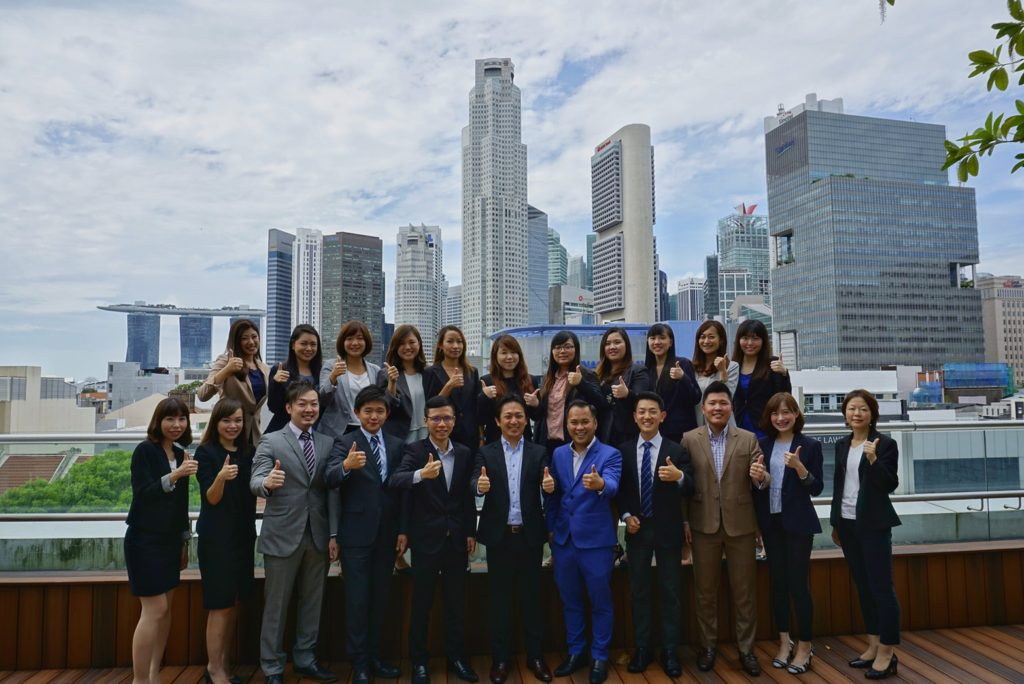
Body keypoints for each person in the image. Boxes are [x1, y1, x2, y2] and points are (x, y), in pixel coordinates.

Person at [249, 382, 342, 684]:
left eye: (314, 403)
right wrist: (267, 483)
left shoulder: (328, 443)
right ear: (289, 408)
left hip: (318, 533)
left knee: (312, 603)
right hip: (282, 534)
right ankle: (272, 668)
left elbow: (331, 492)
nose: (309, 409)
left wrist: (334, 535)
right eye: (302, 404)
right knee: (276, 605)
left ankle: (305, 658)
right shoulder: (272, 440)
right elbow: (256, 478)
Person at [390, 396, 478, 684]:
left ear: (454, 421)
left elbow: (466, 498)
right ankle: (419, 663)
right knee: (422, 605)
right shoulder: (414, 450)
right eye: (436, 419)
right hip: (426, 539)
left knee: (456, 605)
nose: (442, 424)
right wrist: (420, 474)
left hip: (456, 541)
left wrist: (470, 532)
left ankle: (457, 659)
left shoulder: (465, 452)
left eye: (447, 418)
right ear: (426, 421)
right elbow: (396, 480)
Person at [324, 385, 406, 684]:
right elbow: (329, 477)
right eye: (368, 411)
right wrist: (346, 466)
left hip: (387, 535)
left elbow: (402, 492)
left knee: (380, 598)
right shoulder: (345, 442)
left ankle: (375, 657)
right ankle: (358, 662)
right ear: (357, 413)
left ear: (387, 413)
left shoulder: (397, 445)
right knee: (357, 600)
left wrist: (403, 530)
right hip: (356, 535)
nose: (374, 416)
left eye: (380, 411)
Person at [682, 381, 764, 677]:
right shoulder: (689, 439)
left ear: (731, 407)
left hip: (741, 526)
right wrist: (685, 522)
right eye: (712, 403)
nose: (718, 408)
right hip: (703, 525)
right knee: (705, 592)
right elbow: (684, 485)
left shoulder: (748, 438)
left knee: (744, 593)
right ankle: (707, 647)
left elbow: (761, 480)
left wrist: (760, 476)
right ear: (703, 408)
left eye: (723, 403)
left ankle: (746, 650)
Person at [472, 395, 553, 684]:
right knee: (500, 602)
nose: (514, 421)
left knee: (533, 600)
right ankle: (501, 659)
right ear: (498, 421)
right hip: (499, 538)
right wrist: (478, 487)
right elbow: (474, 482)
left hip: (529, 536)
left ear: (525, 419)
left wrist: (550, 486)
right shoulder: (486, 453)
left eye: (519, 415)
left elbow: (550, 487)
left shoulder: (539, 451)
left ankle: (535, 657)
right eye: (508, 416)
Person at [615, 391, 694, 677]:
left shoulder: (677, 449)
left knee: (671, 592)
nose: (646, 416)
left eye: (652, 412)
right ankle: (643, 648)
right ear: (634, 416)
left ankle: (670, 650)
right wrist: (625, 516)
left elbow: (692, 486)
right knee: (639, 592)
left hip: (668, 530)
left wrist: (680, 477)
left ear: (662, 416)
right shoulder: (622, 451)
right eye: (641, 412)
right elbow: (619, 492)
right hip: (637, 530)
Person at [545, 400, 622, 684]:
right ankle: (576, 652)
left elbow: (612, 485)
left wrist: (601, 485)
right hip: (564, 541)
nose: (579, 427)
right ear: (566, 425)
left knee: (601, 602)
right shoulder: (558, 454)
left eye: (584, 422)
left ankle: (600, 656)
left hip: (596, 542)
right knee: (571, 602)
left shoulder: (610, 454)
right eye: (574, 423)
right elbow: (552, 497)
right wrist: (551, 530)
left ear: (595, 423)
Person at [830, 389, 901, 680]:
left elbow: (889, 484)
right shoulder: (841, 444)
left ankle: (887, 650)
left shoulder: (884, 444)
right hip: (847, 524)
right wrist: (835, 522)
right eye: (851, 409)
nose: (856, 414)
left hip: (873, 524)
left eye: (862, 409)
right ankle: (872, 645)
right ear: (845, 414)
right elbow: (839, 487)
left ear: (872, 414)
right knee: (863, 585)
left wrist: (873, 461)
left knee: (881, 587)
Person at [125, 397, 195, 684]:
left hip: (169, 541)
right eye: (170, 419)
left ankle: (154, 674)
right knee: (155, 610)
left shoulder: (181, 454)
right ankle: (140, 680)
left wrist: (184, 541)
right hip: (144, 539)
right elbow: (143, 494)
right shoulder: (145, 451)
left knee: (166, 611)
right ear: (158, 421)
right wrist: (175, 475)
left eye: (182, 419)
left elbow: (181, 505)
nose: (176, 425)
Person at [751, 392, 823, 675]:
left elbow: (816, 488)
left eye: (786, 412)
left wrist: (800, 468)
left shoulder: (810, 445)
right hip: (771, 522)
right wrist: (758, 480)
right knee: (777, 584)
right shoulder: (763, 445)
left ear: (796, 415)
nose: (780, 418)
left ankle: (805, 645)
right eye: (775, 413)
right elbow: (760, 488)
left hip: (798, 524)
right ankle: (784, 642)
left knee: (798, 585)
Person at [195, 398, 257, 684]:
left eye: (238, 421)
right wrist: (221, 477)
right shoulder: (205, 452)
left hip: (243, 536)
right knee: (219, 604)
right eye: (226, 420)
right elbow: (211, 498)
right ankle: (214, 669)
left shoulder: (249, 452)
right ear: (216, 422)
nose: (233, 426)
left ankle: (223, 665)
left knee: (233, 603)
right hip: (216, 539)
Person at [198, 319, 271, 449]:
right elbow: (203, 395)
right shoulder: (225, 361)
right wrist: (227, 370)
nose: (251, 342)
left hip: (253, 436)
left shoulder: (264, 368)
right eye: (245, 338)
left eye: (254, 337)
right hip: (227, 433)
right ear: (236, 341)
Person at [534, 331, 603, 454]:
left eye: (567, 347)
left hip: (573, 444)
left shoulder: (587, 375)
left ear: (576, 349)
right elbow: (542, 415)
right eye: (558, 347)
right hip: (546, 443)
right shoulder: (548, 378)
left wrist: (581, 383)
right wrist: (535, 404)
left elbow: (600, 404)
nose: (562, 351)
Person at [320, 320, 384, 438]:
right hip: (336, 432)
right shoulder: (331, 365)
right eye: (349, 338)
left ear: (366, 342)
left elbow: (381, 402)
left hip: (367, 429)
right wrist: (333, 377)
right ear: (342, 342)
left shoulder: (375, 370)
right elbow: (322, 399)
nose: (355, 343)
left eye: (360, 338)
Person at [731, 319, 792, 440]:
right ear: (738, 340)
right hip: (738, 429)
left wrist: (784, 374)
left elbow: (783, 397)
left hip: (765, 430)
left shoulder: (772, 364)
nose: (749, 343)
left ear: (763, 341)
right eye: (745, 338)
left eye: (755, 338)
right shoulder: (733, 366)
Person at [477, 335, 541, 445]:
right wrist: (484, 398)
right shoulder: (486, 381)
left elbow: (537, 417)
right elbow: (480, 419)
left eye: (514, 352)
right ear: (495, 356)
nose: (510, 357)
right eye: (504, 353)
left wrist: (536, 404)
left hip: (524, 443)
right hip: (495, 443)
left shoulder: (530, 380)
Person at [644, 323, 701, 443]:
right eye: (653, 338)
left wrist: (683, 378)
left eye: (662, 338)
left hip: (680, 433)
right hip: (654, 432)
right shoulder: (646, 369)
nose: (657, 342)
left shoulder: (682, 363)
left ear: (670, 342)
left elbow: (696, 397)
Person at [426, 325, 480, 452]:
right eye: (450, 341)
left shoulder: (472, 372)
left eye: (459, 342)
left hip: (470, 435)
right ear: (440, 345)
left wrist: (481, 436)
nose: (455, 346)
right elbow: (430, 406)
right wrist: (449, 386)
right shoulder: (430, 372)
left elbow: (475, 406)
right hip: (444, 433)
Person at [595, 327, 649, 446]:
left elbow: (643, 402)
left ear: (626, 346)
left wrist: (627, 394)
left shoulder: (638, 371)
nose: (612, 347)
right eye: (608, 344)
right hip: (601, 437)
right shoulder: (598, 375)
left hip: (627, 438)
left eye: (617, 342)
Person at [266, 324, 323, 433]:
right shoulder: (280, 369)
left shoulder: (322, 372)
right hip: (284, 430)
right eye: (303, 344)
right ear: (293, 345)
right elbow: (273, 407)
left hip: (313, 431)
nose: (309, 348)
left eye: (313, 344)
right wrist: (276, 384)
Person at [381, 324, 433, 444]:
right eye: (402, 343)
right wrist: (392, 383)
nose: (407, 347)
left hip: (428, 434)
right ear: (395, 347)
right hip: (400, 438)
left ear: (419, 344)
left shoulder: (429, 372)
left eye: (411, 342)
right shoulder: (386, 374)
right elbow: (385, 408)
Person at [691, 320, 738, 426]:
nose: (706, 341)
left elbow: (727, 397)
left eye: (711, 337)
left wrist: (722, 372)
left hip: (723, 426)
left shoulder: (732, 366)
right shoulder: (692, 367)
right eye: (702, 337)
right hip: (697, 428)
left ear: (721, 340)